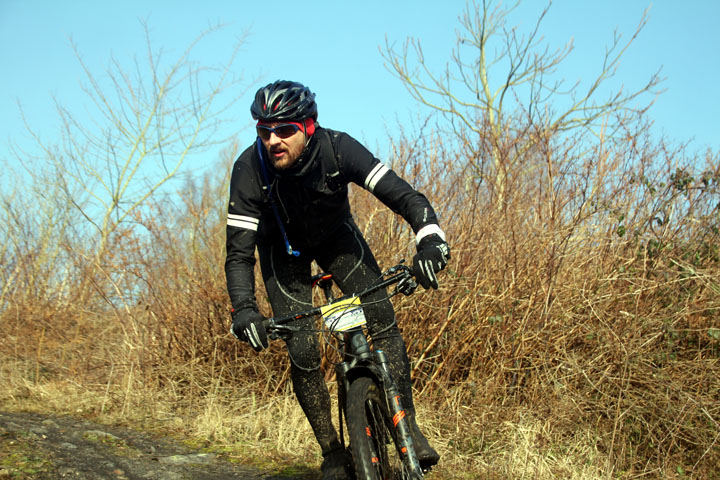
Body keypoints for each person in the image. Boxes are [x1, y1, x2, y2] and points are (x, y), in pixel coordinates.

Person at [225, 80, 450, 479]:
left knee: (381, 318)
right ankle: (331, 450)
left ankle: (407, 424)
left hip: (337, 241)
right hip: (283, 253)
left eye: (284, 130)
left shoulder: (338, 148)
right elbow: (239, 254)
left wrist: (430, 241)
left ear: (309, 126)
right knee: (305, 348)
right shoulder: (248, 169)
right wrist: (244, 309)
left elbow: (405, 197)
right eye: (264, 130)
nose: (272, 139)